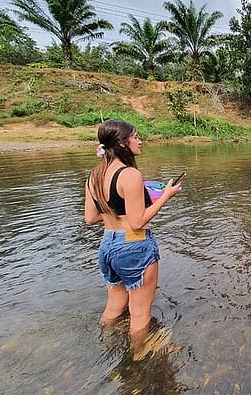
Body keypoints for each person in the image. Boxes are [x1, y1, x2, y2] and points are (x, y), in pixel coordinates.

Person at [84, 120, 182, 351]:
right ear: (122, 143)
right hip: (134, 245)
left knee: (115, 305)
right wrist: (166, 196)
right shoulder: (130, 174)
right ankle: (139, 358)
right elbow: (138, 222)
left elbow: (90, 218)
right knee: (139, 313)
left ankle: (106, 343)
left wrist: (122, 215)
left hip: (107, 244)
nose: (140, 141)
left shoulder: (95, 174)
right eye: (136, 137)